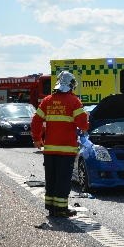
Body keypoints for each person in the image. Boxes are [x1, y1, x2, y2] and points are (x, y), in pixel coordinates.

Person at [31, 71, 89, 217]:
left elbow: (36, 121)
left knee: (51, 179)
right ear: (70, 85)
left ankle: (51, 207)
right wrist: (87, 120)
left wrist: (37, 139)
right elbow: (83, 125)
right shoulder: (74, 101)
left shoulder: (47, 100)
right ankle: (61, 209)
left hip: (50, 149)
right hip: (67, 149)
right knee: (63, 180)